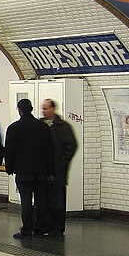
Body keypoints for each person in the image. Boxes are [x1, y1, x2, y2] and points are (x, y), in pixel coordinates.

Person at [4, 98, 54, 239]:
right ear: (31, 109)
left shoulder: (14, 128)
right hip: (40, 171)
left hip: (23, 171)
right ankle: (39, 228)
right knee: (41, 200)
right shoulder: (43, 127)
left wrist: (10, 168)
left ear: (19, 110)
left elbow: (9, 150)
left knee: (26, 201)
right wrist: (50, 170)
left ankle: (26, 229)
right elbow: (50, 150)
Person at [40, 98, 77, 237]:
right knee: (44, 200)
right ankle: (45, 225)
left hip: (58, 171)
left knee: (57, 201)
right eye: (43, 108)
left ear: (53, 109)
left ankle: (57, 228)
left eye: (46, 108)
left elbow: (71, 146)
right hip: (43, 170)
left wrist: (61, 164)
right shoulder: (40, 124)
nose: (44, 111)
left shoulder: (63, 127)